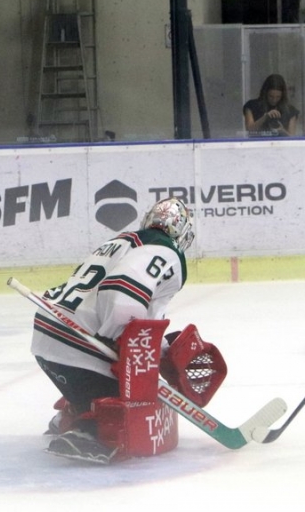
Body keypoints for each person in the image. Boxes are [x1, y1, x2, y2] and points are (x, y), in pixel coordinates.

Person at [31, 197, 212, 461]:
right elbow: (122, 290)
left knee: (104, 382)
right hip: (82, 349)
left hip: (49, 336)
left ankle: (74, 408)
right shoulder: (166, 251)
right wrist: (118, 342)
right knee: (134, 399)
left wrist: (161, 351)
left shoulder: (122, 241)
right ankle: (88, 429)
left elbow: (145, 311)